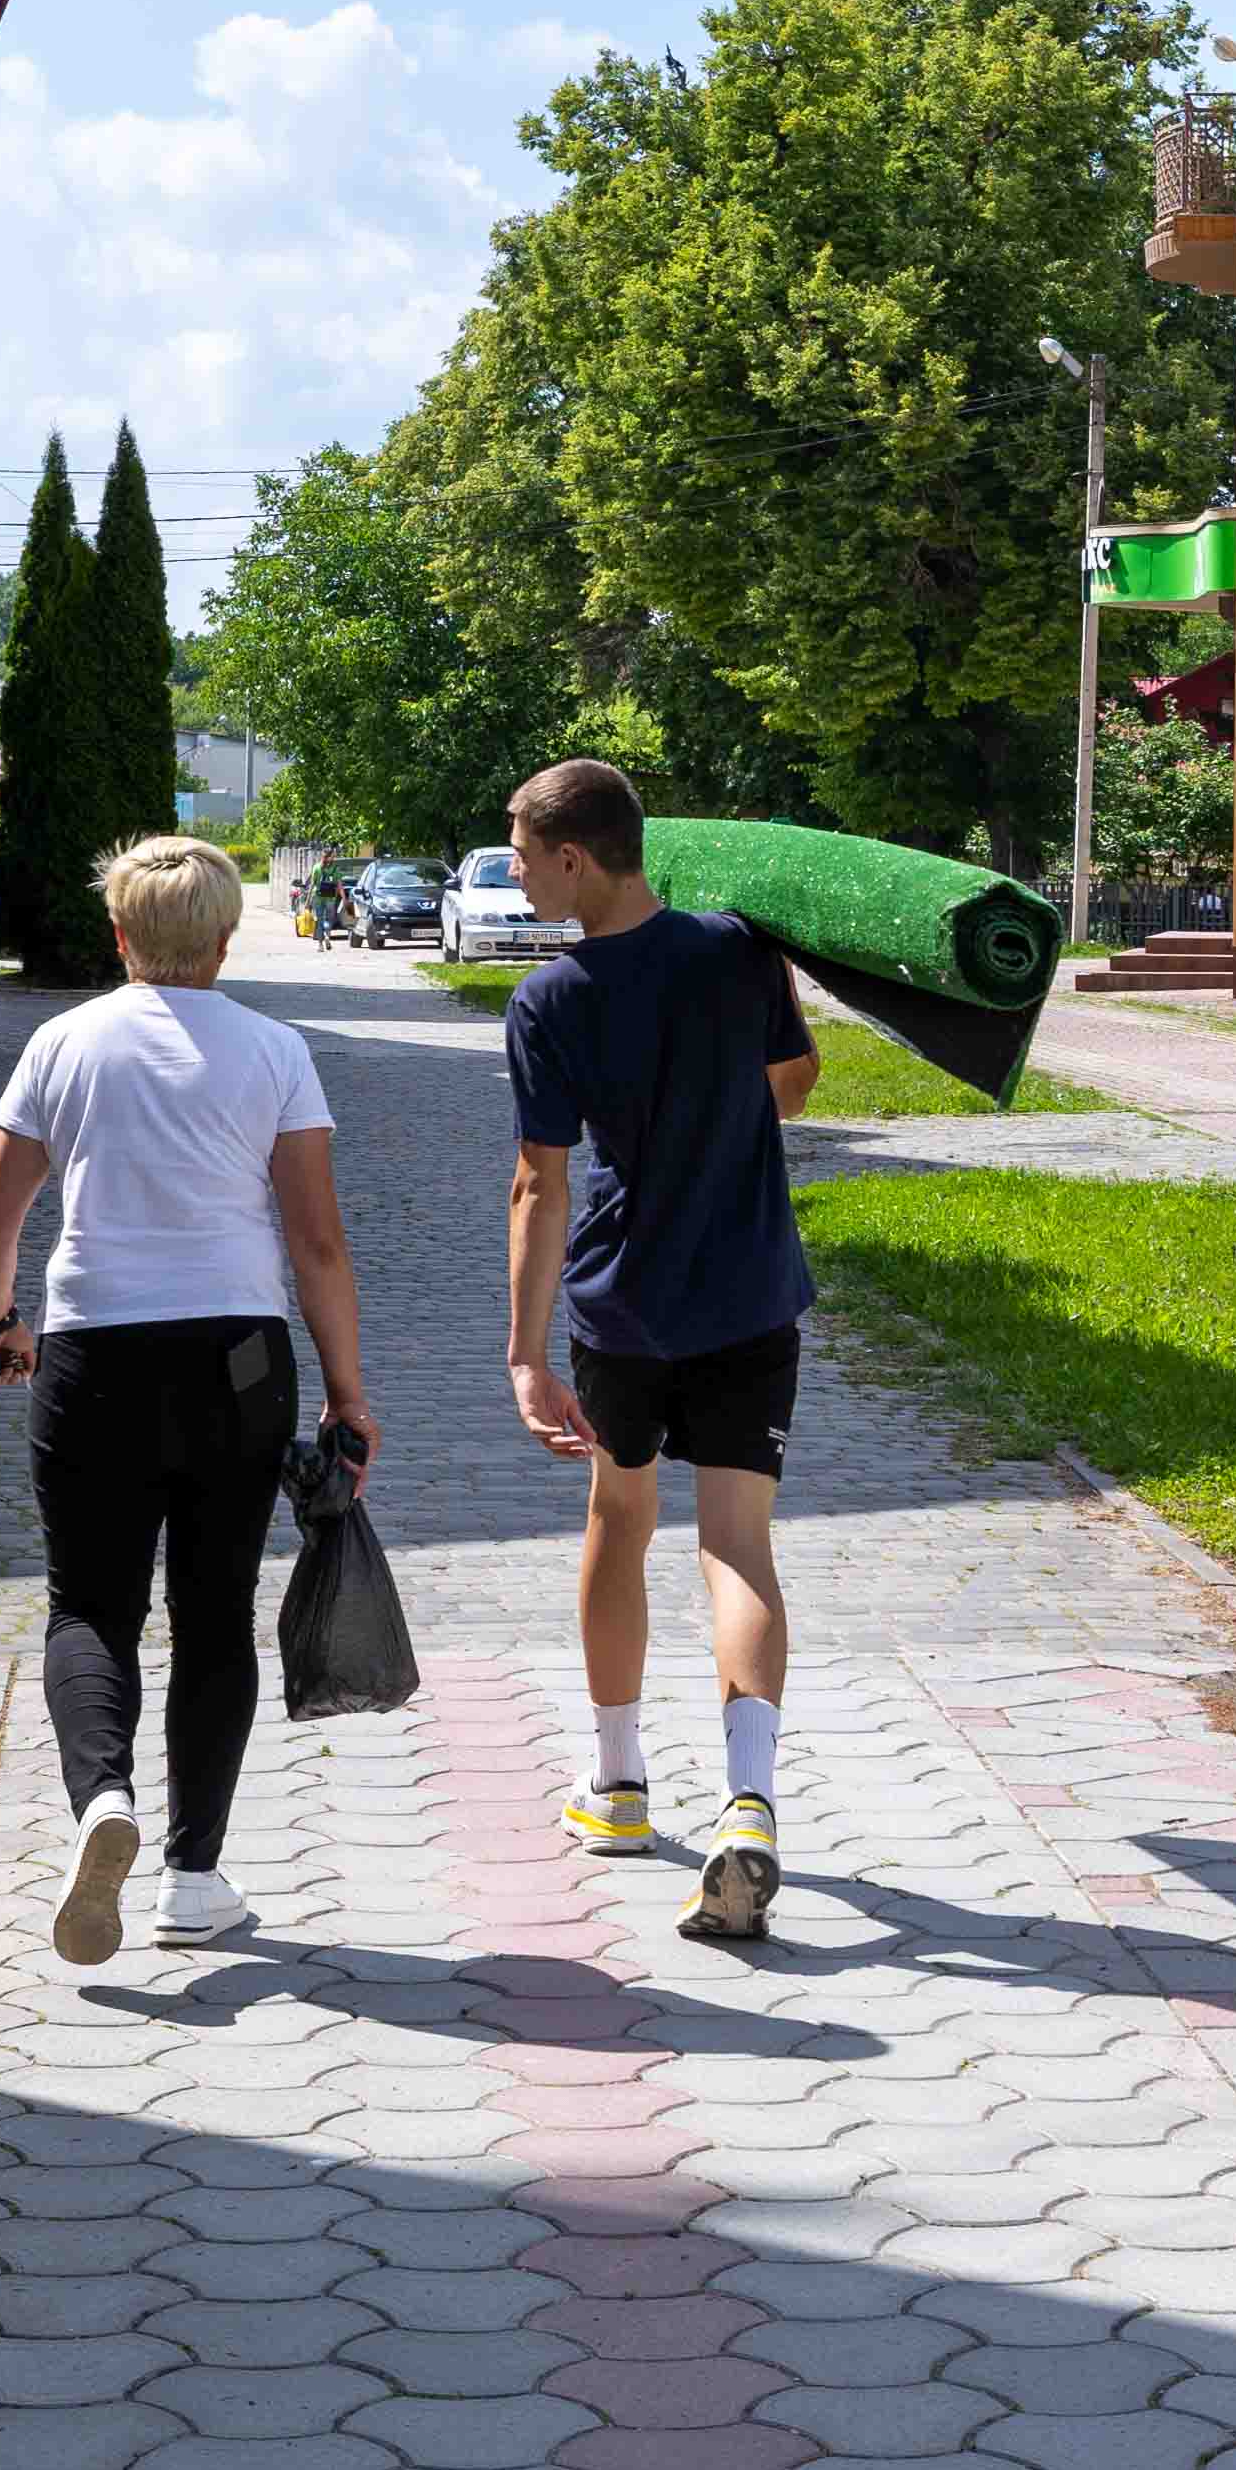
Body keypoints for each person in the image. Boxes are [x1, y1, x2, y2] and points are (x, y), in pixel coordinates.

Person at [0, 834, 374, 1965]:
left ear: (120, 935)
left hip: (93, 1355)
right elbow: (318, 1243)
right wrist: (346, 1393)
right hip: (238, 1359)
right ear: (227, 939)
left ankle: (103, 1801)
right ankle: (193, 1880)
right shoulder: (276, 1051)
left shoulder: (63, 1043)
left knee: (89, 1606)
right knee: (214, 1609)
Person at [497, 757, 817, 1941]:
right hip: (750, 1294)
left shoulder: (551, 1000)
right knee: (737, 1546)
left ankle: (619, 1785)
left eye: (522, 858)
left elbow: (540, 1184)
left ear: (574, 858)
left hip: (623, 1308)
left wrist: (526, 1353)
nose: (518, 878)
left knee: (620, 1519)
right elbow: (795, 1085)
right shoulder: (739, 948)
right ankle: (750, 1803)